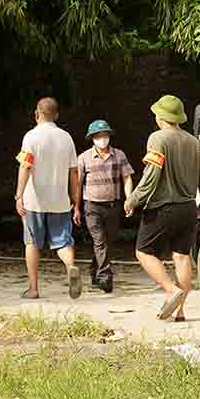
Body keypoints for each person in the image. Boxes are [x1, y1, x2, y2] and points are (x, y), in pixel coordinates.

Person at [124, 95, 200, 321]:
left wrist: (133, 199)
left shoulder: (157, 138)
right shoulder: (193, 141)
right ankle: (181, 311)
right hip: (188, 208)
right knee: (182, 257)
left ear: (160, 116)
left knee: (143, 252)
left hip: (163, 207)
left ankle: (170, 290)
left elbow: (151, 176)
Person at [15, 97, 82, 300]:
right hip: (60, 200)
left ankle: (34, 289)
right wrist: (75, 199)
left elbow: (25, 166)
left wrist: (19, 195)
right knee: (63, 242)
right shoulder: (66, 137)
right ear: (57, 115)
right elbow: (74, 173)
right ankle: (70, 267)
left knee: (32, 242)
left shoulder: (31, 137)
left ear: (37, 114)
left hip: (34, 200)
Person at [77, 119, 134, 293]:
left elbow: (127, 178)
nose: (102, 139)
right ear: (92, 138)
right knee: (99, 241)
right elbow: (78, 184)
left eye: (105, 136)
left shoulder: (119, 155)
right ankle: (105, 278)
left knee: (107, 242)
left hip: (112, 206)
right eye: (98, 136)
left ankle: (94, 271)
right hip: (91, 206)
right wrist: (76, 207)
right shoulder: (84, 158)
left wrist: (129, 199)